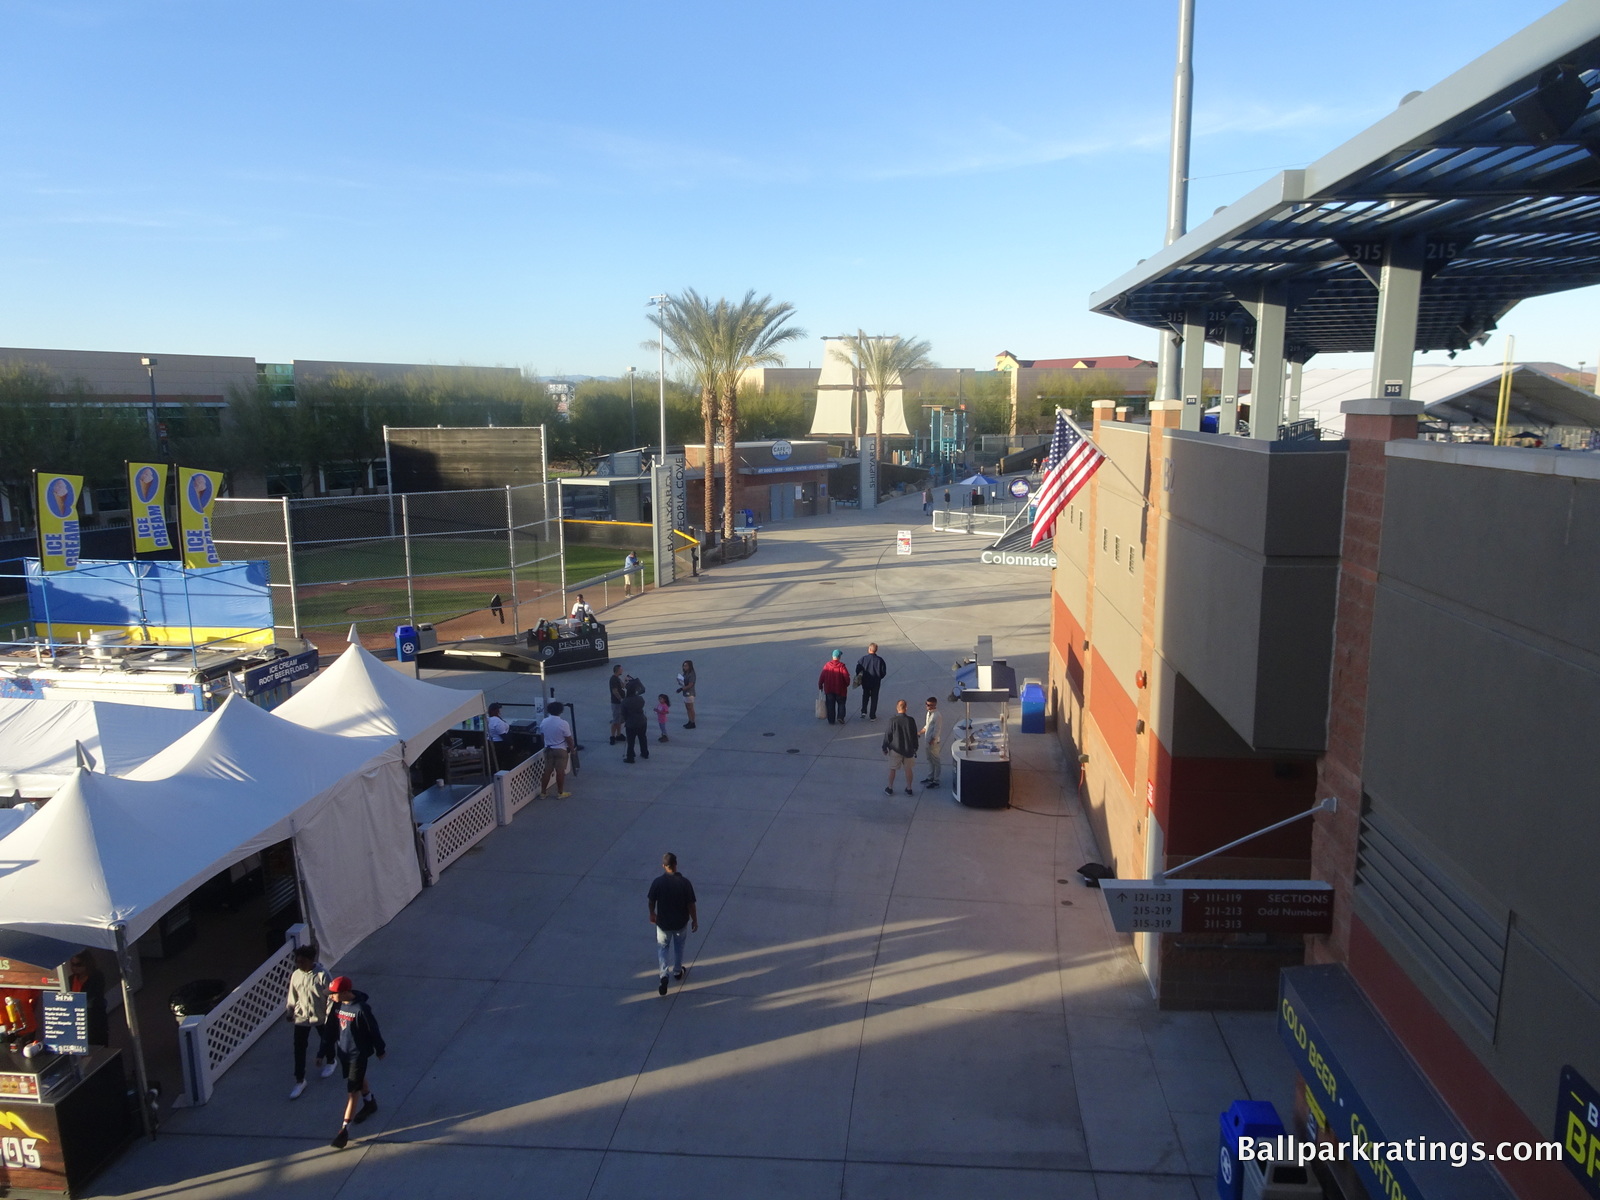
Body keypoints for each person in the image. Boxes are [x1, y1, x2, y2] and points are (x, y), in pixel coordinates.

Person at [327, 976, 386, 1149]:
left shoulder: (361, 1009)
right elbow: (331, 1028)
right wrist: (324, 1050)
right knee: (358, 1081)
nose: (330, 996)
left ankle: (344, 1130)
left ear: (345, 992)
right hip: (343, 1052)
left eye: (333, 993)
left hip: (358, 1054)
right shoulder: (337, 1005)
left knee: (352, 1093)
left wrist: (380, 1049)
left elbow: (373, 1029)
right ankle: (369, 1102)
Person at [285, 945, 336, 1099]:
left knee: (326, 1040)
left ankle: (331, 1060)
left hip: (320, 1016)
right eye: (297, 962)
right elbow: (292, 995)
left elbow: (332, 997)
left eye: (302, 962)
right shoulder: (296, 975)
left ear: (310, 960)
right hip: (302, 1018)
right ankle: (300, 1080)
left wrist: (329, 1016)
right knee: (299, 1048)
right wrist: (290, 1011)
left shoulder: (323, 975)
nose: (299, 965)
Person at [647, 852, 698, 996]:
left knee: (662, 949)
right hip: (680, 923)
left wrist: (652, 913)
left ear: (664, 866)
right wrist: (694, 919)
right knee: (679, 946)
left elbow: (651, 900)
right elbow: (691, 904)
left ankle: (664, 975)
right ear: (676, 864)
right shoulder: (685, 883)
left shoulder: (657, 882)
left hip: (663, 924)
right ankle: (677, 971)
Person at [67, 951, 108, 1048]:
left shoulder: (96, 977)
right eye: (73, 964)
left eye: (79, 964)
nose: (75, 968)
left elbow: (95, 997)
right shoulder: (71, 979)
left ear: (87, 963)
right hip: (76, 1018)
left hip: (94, 1019)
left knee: (98, 1046)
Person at [881, 699, 920, 795]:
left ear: (896, 708)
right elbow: (914, 735)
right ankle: (909, 788)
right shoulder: (911, 720)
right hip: (909, 749)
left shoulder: (892, 720)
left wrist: (884, 747)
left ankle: (890, 788)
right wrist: (915, 747)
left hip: (895, 749)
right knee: (908, 769)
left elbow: (888, 735)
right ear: (906, 708)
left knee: (892, 769)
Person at [539, 701, 574, 798]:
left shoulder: (544, 721)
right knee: (560, 771)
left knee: (547, 771)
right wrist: (572, 749)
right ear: (560, 711)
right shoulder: (563, 723)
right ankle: (560, 792)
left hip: (548, 748)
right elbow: (569, 739)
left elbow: (542, 735)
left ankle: (543, 792)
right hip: (560, 749)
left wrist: (546, 744)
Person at [855, 643, 888, 720]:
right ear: (876, 650)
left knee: (865, 695)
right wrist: (879, 677)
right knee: (874, 698)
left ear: (869, 649)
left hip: (865, 681)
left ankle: (863, 711)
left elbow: (858, 669)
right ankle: (872, 715)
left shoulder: (863, 659)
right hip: (876, 682)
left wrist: (861, 677)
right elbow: (883, 672)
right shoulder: (880, 660)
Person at [818, 650, 851, 725]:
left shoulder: (827, 666)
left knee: (830, 705)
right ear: (839, 657)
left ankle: (831, 720)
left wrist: (820, 685)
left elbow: (822, 677)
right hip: (840, 690)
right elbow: (846, 677)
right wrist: (846, 684)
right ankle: (840, 717)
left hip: (829, 689)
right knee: (841, 703)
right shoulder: (842, 666)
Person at [621, 677, 649, 762]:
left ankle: (630, 757)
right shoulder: (640, 699)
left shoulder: (625, 701)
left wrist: (626, 720)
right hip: (642, 721)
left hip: (631, 723)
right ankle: (645, 753)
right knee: (642, 738)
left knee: (631, 741)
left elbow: (623, 713)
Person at [920, 697, 944, 788]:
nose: (927, 706)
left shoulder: (937, 715)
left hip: (933, 743)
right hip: (927, 741)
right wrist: (920, 732)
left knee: (936, 761)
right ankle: (930, 777)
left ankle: (936, 780)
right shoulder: (928, 713)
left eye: (929, 705)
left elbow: (937, 729)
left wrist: (933, 740)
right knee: (929, 760)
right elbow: (928, 725)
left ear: (934, 705)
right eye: (926, 704)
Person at [608, 664, 626, 745]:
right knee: (616, 720)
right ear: (617, 670)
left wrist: (625, 680)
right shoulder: (613, 679)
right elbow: (615, 691)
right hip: (616, 703)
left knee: (620, 720)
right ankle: (612, 736)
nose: (622, 670)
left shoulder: (618, 678)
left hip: (620, 703)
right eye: (621, 669)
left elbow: (622, 686)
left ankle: (618, 734)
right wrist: (621, 699)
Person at [677, 660, 697, 728]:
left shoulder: (691, 674)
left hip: (689, 693)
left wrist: (681, 689)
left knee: (690, 708)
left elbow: (690, 684)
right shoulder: (685, 673)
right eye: (684, 665)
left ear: (689, 666)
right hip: (685, 693)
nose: (684, 667)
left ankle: (693, 722)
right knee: (687, 708)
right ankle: (690, 720)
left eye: (686, 666)